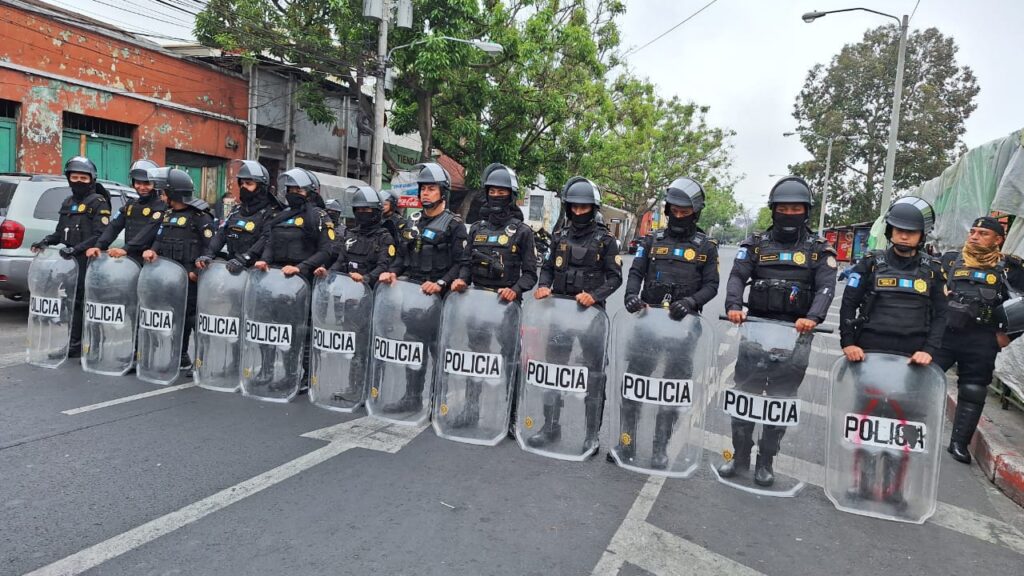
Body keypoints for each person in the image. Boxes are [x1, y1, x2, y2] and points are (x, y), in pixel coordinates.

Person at [722, 175, 837, 486]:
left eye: (796, 208)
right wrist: (734, 305)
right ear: (774, 210)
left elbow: (827, 288)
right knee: (745, 396)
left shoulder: (819, 249)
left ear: (806, 212)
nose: (789, 213)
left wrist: (813, 317)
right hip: (756, 332)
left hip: (796, 336)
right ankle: (740, 456)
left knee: (779, 401)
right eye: (784, 208)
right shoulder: (755, 245)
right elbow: (736, 276)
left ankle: (766, 461)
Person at [839, 196, 946, 505]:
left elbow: (941, 315)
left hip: (913, 361)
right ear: (889, 231)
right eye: (898, 229)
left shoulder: (933, 271)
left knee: (904, 427)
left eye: (910, 231)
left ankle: (894, 488)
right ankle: (862, 483)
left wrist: (930, 350)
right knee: (867, 421)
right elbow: (849, 304)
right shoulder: (870, 263)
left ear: (922, 235)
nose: (903, 235)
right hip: (869, 353)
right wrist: (849, 342)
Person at [614, 177, 719, 468]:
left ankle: (661, 448)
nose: (678, 216)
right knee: (634, 386)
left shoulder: (706, 247)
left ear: (695, 213)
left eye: (684, 211)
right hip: (647, 325)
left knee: (670, 391)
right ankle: (626, 444)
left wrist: (691, 302)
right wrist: (631, 296)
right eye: (674, 210)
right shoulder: (651, 241)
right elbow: (635, 272)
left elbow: (711, 285)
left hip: (682, 330)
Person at [529, 176, 622, 452]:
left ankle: (591, 435)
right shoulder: (559, 237)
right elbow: (546, 268)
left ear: (593, 208)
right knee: (553, 372)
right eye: (574, 208)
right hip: (559, 316)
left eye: (584, 208)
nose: (579, 212)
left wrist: (594, 296)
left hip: (591, 318)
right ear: (568, 208)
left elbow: (615, 278)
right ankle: (550, 427)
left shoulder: (606, 241)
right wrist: (543, 285)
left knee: (593, 377)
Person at [449, 163, 538, 428]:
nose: (496, 196)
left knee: (510, 361)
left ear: (510, 195)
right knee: (475, 361)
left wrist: (515, 290)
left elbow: (531, 274)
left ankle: (511, 417)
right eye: (492, 191)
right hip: (478, 305)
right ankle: (470, 410)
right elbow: (465, 264)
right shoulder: (476, 229)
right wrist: (462, 280)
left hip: (507, 307)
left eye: (502, 191)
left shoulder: (522, 232)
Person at [934, 216, 1024, 464]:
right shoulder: (950, 260)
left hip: (982, 339)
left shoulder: (1011, 269)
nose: (974, 236)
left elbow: (1022, 306)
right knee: (923, 379)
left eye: (983, 233)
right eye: (972, 231)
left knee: (973, 390)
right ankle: (914, 430)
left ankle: (959, 444)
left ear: (998, 239)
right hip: (946, 336)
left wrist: (1007, 336)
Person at [381, 162, 468, 412]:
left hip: (440, 301)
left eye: (431, 189)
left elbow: (461, 265)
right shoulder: (414, 223)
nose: (425, 194)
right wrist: (392, 273)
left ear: (443, 192)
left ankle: (440, 401)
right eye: (423, 189)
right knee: (412, 348)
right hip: (414, 299)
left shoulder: (454, 225)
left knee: (439, 352)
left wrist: (441, 283)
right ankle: (411, 397)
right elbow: (402, 258)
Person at [253, 168, 335, 385]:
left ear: (309, 191)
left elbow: (327, 250)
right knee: (272, 328)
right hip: (277, 281)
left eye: (299, 189)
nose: (294, 192)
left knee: (301, 332)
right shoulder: (279, 216)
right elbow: (271, 243)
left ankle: (303, 376)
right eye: (290, 188)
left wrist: (300, 267)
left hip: (302, 281)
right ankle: (268, 370)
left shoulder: (318, 216)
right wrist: (265, 260)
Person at [31, 156, 112, 358]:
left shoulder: (98, 202)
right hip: (70, 263)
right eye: (74, 177)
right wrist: (46, 241)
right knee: (72, 303)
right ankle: (74, 344)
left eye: (83, 178)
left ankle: (95, 346)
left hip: (89, 262)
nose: (78, 181)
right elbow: (60, 232)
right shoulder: (68, 202)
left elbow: (99, 234)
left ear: (92, 179)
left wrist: (76, 250)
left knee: (90, 304)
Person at [142, 169, 215, 372]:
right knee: (173, 317)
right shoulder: (168, 214)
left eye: (164, 192)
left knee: (193, 319)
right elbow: (159, 238)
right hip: (170, 278)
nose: (161, 197)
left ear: (173, 193)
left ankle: (199, 361)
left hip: (190, 277)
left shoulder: (200, 217)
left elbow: (210, 248)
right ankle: (179, 355)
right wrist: (153, 251)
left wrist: (197, 271)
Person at [195, 160, 278, 275]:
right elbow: (221, 233)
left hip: (257, 273)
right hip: (232, 271)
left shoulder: (271, 212)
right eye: (242, 183)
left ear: (261, 187)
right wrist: (209, 254)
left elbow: (266, 239)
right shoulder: (236, 210)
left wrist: (244, 258)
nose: (243, 187)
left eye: (249, 184)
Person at [86, 159, 164, 265]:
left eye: (147, 183)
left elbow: (149, 230)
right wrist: (99, 246)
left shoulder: (161, 206)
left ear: (155, 184)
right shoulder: (130, 204)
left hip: (151, 261)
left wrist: (126, 249)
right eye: (138, 183)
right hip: (130, 261)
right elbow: (114, 226)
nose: (142, 187)